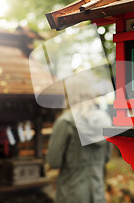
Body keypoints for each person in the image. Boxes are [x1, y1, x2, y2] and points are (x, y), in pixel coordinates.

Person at [47, 75, 111, 203]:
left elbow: (54, 162)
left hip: (70, 194)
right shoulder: (105, 121)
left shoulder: (65, 122)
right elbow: (107, 157)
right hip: (97, 193)